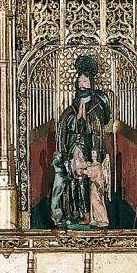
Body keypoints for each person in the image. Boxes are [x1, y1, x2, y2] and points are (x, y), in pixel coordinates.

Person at [50, 58, 112, 226]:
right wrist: (62, 149)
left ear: (91, 83)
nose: (81, 85)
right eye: (79, 82)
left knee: (86, 181)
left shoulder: (96, 106)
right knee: (72, 179)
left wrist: (96, 154)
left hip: (88, 150)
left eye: (85, 81)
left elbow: (97, 129)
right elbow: (65, 125)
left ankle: (87, 213)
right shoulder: (72, 107)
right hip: (72, 148)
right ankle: (72, 212)